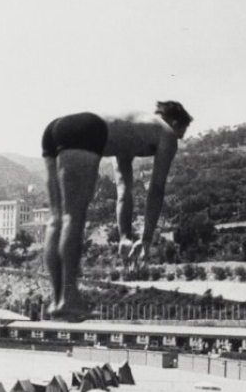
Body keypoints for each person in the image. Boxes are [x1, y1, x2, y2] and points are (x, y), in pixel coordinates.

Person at [42, 102, 193, 322]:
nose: (177, 141)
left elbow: (124, 191)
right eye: (181, 135)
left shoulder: (130, 127)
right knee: (73, 216)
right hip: (87, 129)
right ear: (176, 123)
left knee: (56, 218)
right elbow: (156, 190)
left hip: (56, 128)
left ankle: (58, 301)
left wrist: (125, 237)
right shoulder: (166, 133)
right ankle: (70, 298)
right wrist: (147, 239)